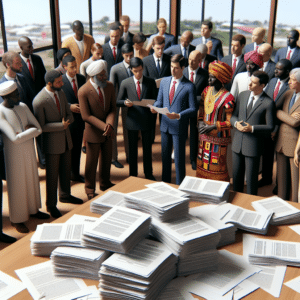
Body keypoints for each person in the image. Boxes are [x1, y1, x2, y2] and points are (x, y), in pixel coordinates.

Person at [0, 81, 49, 233]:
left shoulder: (23, 106)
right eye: (16, 95)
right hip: (13, 155)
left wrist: (22, 133)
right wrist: (29, 132)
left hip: (28, 151)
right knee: (17, 186)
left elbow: (38, 128)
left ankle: (33, 210)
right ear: (6, 97)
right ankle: (18, 219)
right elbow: (14, 139)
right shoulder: (0, 112)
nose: (19, 96)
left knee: (31, 180)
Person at [33, 70, 83, 218]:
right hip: (52, 144)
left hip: (66, 139)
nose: (62, 84)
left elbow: (68, 112)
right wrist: (61, 126)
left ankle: (65, 195)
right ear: (50, 83)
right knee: (52, 176)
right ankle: (51, 205)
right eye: (59, 82)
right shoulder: (39, 101)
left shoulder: (60, 93)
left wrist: (67, 121)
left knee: (66, 170)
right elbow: (41, 127)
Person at [151, 54, 197, 185]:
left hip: (179, 127)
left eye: (176, 68)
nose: (173, 70)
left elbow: (193, 109)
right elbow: (160, 101)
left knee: (179, 160)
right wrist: (155, 107)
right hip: (165, 125)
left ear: (183, 68)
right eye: (171, 67)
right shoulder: (165, 81)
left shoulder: (189, 86)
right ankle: (165, 184)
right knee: (165, 159)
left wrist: (179, 115)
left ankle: (180, 186)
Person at [231, 71, 275, 195]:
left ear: (262, 85)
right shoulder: (243, 95)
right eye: (250, 81)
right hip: (237, 144)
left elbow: (271, 126)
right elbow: (233, 116)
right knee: (236, 179)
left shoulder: (268, 103)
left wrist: (252, 128)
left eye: (254, 83)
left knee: (251, 182)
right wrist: (235, 123)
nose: (249, 84)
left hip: (253, 146)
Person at [78, 60, 116, 199]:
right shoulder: (83, 91)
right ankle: (89, 189)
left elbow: (112, 108)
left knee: (107, 160)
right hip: (93, 132)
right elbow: (86, 116)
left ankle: (105, 183)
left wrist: (110, 124)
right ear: (93, 76)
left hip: (108, 131)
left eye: (104, 74)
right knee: (91, 163)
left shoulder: (110, 86)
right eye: (101, 75)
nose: (104, 77)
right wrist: (104, 126)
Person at [117, 57, 157, 180]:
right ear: (131, 70)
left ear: (143, 68)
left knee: (147, 150)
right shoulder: (125, 83)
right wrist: (125, 103)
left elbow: (156, 100)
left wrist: (154, 106)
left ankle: (148, 173)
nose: (138, 74)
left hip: (146, 120)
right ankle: (133, 175)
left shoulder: (150, 82)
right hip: (132, 121)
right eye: (135, 71)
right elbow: (118, 101)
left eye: (140, 70)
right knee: (132, 151)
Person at [197, 61, 234, 181]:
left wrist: (212, 126)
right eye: (209, 77)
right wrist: (201, 121)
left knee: (217, 166)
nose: (209, 80)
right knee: (202, 163)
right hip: (204, 136)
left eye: (212, 78)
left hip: (218, 139)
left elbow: (230, 123)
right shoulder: (206, 90)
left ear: (221, 79)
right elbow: (201, 109)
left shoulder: (228, 97)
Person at [261, 59, 292, 189]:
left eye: (279, 69)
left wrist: (276, 127)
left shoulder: (291, 87)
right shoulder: (272, 81)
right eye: (276, 68)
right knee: (267, 154)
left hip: (280, 127)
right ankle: (266, 178)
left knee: (280, 158)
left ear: (287, 72)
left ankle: (280, 184)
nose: (275, 71)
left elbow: (286, 110)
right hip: (267, 124)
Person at [275, 68, 300, 202]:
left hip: (295, 144)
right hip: (281, 142)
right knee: (281, 178)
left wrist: (281, 115)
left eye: (293, 80)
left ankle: (296, 205)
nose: (289, 82)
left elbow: (296, 123)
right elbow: (275, 109)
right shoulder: (287, 93)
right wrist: (287, 116)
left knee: (295, 181)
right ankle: (281, 202)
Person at [61, 55, 86, 182]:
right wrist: (69, 107)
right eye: (71, 67)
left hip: (80, 121)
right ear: (64, 67)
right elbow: (57, 101)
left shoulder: (82, 78)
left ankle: (75, 174)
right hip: (68, 122)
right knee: (67, 151)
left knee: (77, 149)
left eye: (76, 66)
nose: (75, 69)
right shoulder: (60, 82)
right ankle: (67, 175)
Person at [183, 50, 209, 170]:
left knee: (194, 135)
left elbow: (206, 94)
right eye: (189, 59)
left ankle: (193, 159)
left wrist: (192, 98)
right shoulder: (181, 71)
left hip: (196, 110)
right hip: (181, 108)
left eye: (194, 60)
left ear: (200, 61)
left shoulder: (205, 74)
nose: (191, 62)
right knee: (180, 133)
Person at [109, 43, 134, 167]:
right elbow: (111, 87)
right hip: (116, 101)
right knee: (113, 128)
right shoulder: (115, 68)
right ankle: (113, 158)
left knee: (128, 128)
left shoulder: (136, 66)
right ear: (122, 55)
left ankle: (129, 155)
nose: (129, 58)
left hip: (129, 102)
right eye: (126, 56)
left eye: (131, 55)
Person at [143, 36, 172, 143]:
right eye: (158, 48)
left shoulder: (169, 60)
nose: (160, 51)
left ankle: (166, 141)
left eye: (162, 48)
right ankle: (150, 141)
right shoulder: (146, 61)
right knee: (151, 122)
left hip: (165, 96)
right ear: (153, 47)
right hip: (151, 96)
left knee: (165, 121)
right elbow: (144, 81)